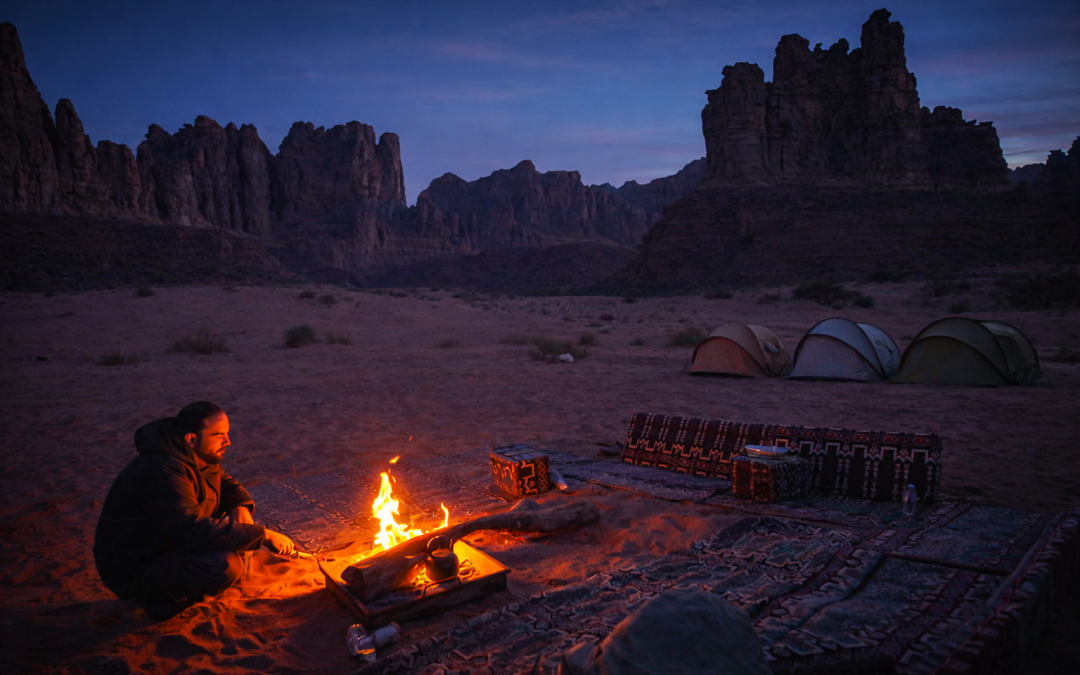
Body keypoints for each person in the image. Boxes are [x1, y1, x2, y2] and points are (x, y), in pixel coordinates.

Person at [93, 401, 295, 620]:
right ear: (191, 438)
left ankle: (181, 586)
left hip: (169, 544)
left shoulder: (196, 454)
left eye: (226, 434)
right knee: (224, 566)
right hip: (136, 562)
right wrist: (263, 535)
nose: (227, 441)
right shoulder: (161, 469)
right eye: (219, 435)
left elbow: (225, 482)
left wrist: (240, 506)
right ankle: (157, 598)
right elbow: (190, 527)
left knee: (240, 547)